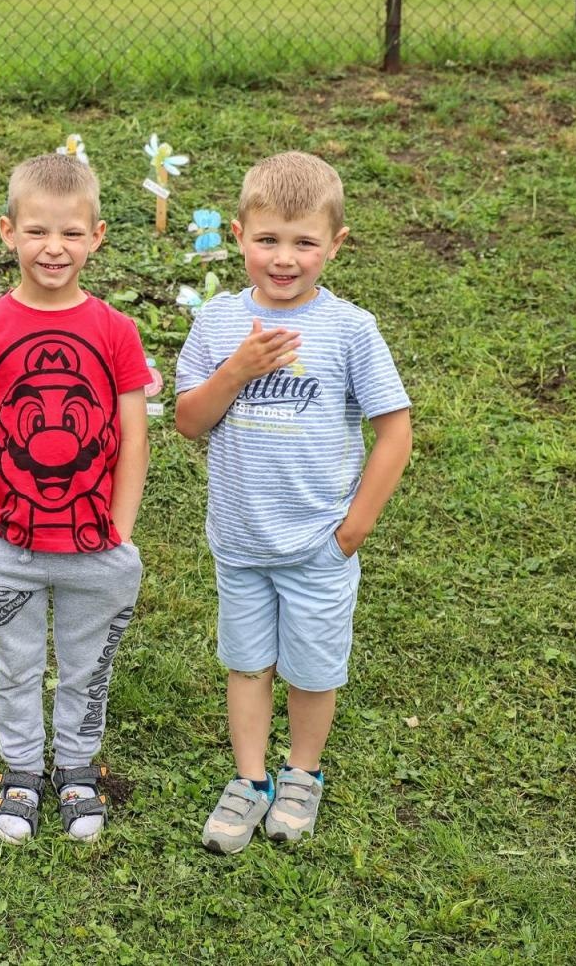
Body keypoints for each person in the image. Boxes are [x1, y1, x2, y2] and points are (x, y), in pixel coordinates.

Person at [174, 151, 412, 852]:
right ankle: (250, 782)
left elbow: (394, 431)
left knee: (311, 669)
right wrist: (238, 369)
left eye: (304, 242)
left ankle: (301, 773)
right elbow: (190, 421)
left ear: (334, 245)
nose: (284, 258)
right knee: (247, 663)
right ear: (240, 234)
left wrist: (353, 529)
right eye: (268, 239)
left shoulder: (350, 330)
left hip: (317, 545)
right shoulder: (219, 324)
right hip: (241, 540)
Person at [0, 154, 152, 844]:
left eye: (69, 232)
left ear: (97, 236)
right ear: (7, 232)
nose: (52, 247)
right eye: (36, 231)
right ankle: (23, 771)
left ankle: (79, 770)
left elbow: (133, 436)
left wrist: (120, 526)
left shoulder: (116, 331)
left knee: (88, 667)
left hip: (95, 547)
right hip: (9, 546)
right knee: (17, 665)